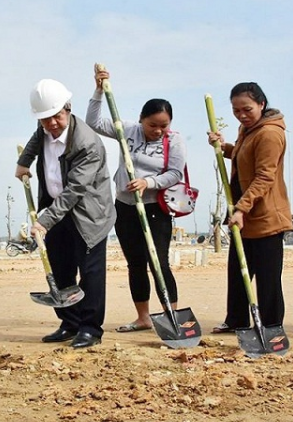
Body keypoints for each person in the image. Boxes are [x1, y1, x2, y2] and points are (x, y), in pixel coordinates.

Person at [16, 78, 115, 349]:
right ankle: (69, 323)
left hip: (88, 213)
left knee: (91, 273)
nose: (51, 124)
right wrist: (23, 162)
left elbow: (75, 190)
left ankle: (90, 328)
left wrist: (43, 221)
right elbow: (36, 141)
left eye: (56, 117)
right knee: (60, 268)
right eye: (45, 119)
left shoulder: (87, 143)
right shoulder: (43, 128)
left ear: (68, 109)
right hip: (56, 209)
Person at [85, 67, 185, 333]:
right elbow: (93, 122)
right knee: (136, 264)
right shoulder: (126, 129)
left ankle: (171, 317)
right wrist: (98, 90)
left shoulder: (174, 141)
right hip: (126, 207)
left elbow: (175, 173)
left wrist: (148, 182)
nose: (158, 131)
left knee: (158, 262)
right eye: (153, 125)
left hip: (155, 208)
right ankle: (143, 317)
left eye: (164, 125)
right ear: (141, 120)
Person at [206, 82, 292, 334]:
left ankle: (271, 325)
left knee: (267, 279)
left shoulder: (269, 134)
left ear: (261, 104)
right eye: (236, 110)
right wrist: (224, 148)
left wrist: (241, 209)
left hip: (265, 217)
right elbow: (245, 158)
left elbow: (265, 176)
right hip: (244, 215)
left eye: (247, 109)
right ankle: (237, 320)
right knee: (238, 272)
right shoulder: (248, 129)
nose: (241, 115)